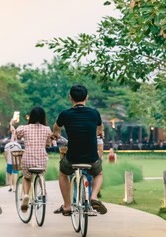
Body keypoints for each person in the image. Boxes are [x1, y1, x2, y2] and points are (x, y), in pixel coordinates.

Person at [52, 84, 107, 216]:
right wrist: (100, 133)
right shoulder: (94, 113)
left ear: (70, 98)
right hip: (91, 158)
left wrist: (55, 134)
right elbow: (100, 128)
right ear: (87, 97)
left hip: (72, 157)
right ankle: (94, 197)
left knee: (63, 172)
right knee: (98, 173)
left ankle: (66, 206)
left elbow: (56, 128)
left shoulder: (65, 114)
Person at [10, 106, 52, 212]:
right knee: (40, 173)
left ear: (31, 117)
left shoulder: (24, 128)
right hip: (42, 159)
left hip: (27, 158)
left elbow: (14, 137)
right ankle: (42, 191)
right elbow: (49, 144)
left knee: (27, 177)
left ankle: (25, 195)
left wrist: (11, 125)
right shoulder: (47, 129)